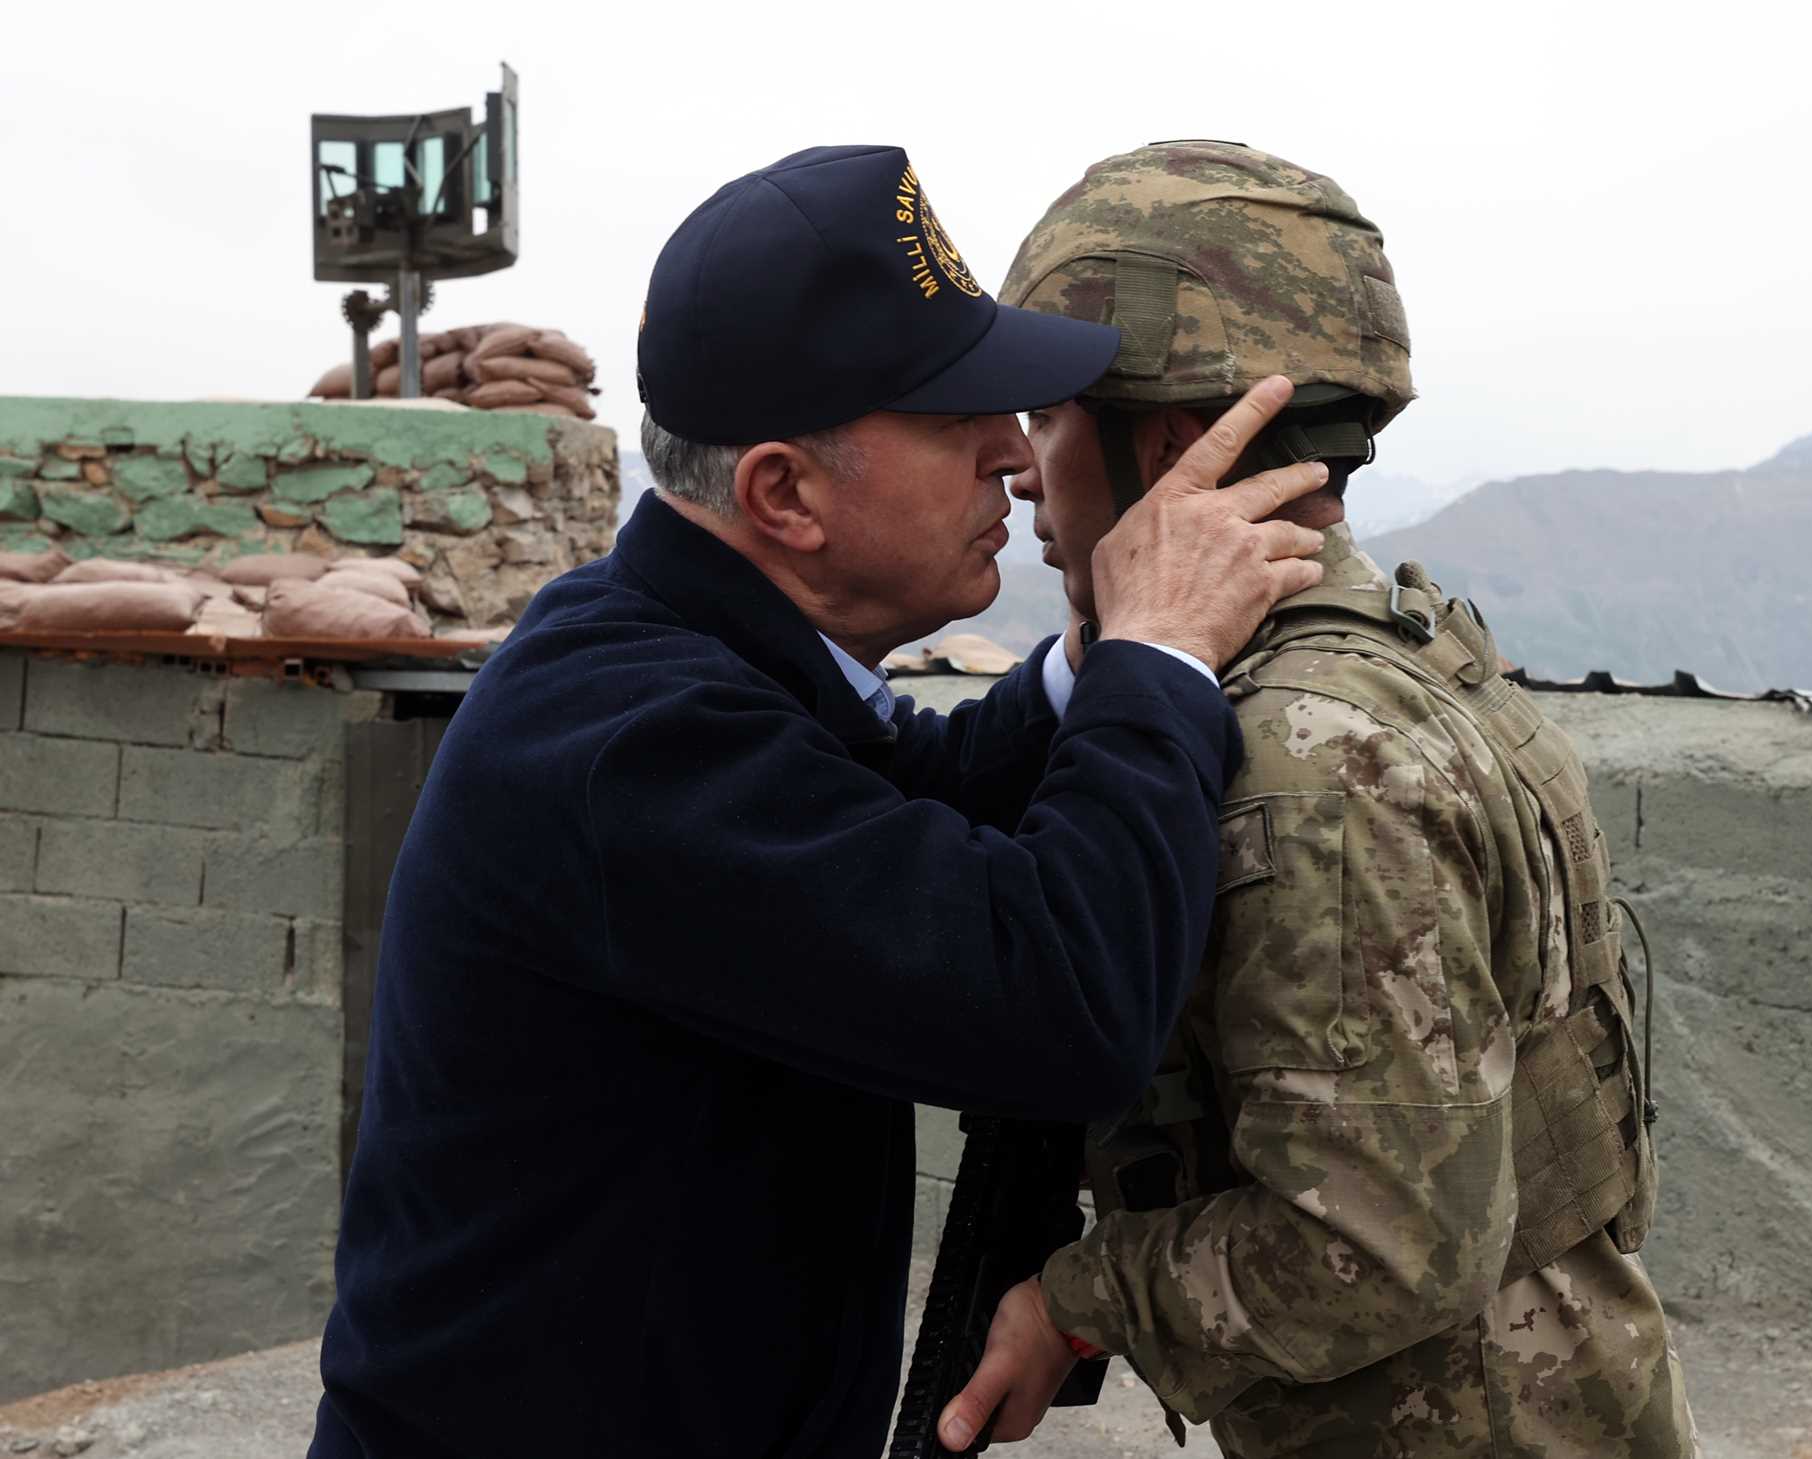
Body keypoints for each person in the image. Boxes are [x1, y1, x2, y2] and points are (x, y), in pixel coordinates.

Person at [307, 144, 1337, 1459]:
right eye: (958, 418)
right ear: (784, 493)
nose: (1014, 459)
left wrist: (1093, 654)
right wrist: (1161, 656)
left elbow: (912, 796)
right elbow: (1063, 1002)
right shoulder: (633, 743)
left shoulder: (684, 644)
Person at [938, 141, 1697, 1458]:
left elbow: (1377, 1246)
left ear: (1173, 445)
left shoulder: (1305, 754)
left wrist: (1073, 1306)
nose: (1017, 465)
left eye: (1048, 417)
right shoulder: (1399, 650)